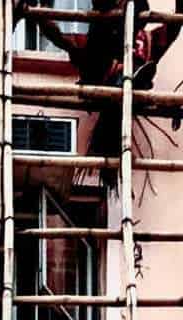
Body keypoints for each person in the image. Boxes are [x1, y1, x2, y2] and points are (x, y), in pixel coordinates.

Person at [20, 0, 178, 190]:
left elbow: (174, 27)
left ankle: (134, 80)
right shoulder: (101, 37)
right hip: (108, 89)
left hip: (133, 92)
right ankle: (130, 80)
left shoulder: (148, 40)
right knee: (120, 76)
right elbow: (63, 40)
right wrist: (35, 12)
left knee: (138, 76)